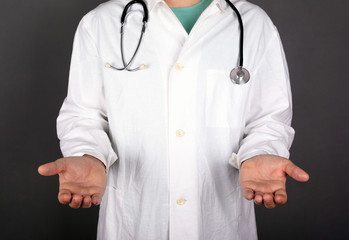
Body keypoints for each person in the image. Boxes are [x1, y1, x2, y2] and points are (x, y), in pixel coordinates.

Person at [38, 0, 309, 239]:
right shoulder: (102, 22)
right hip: (135, 222)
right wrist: (89, 156)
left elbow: (269, 118)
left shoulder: (252, 23)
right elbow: (83, 114)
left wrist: (260, 152)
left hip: (220, 222)